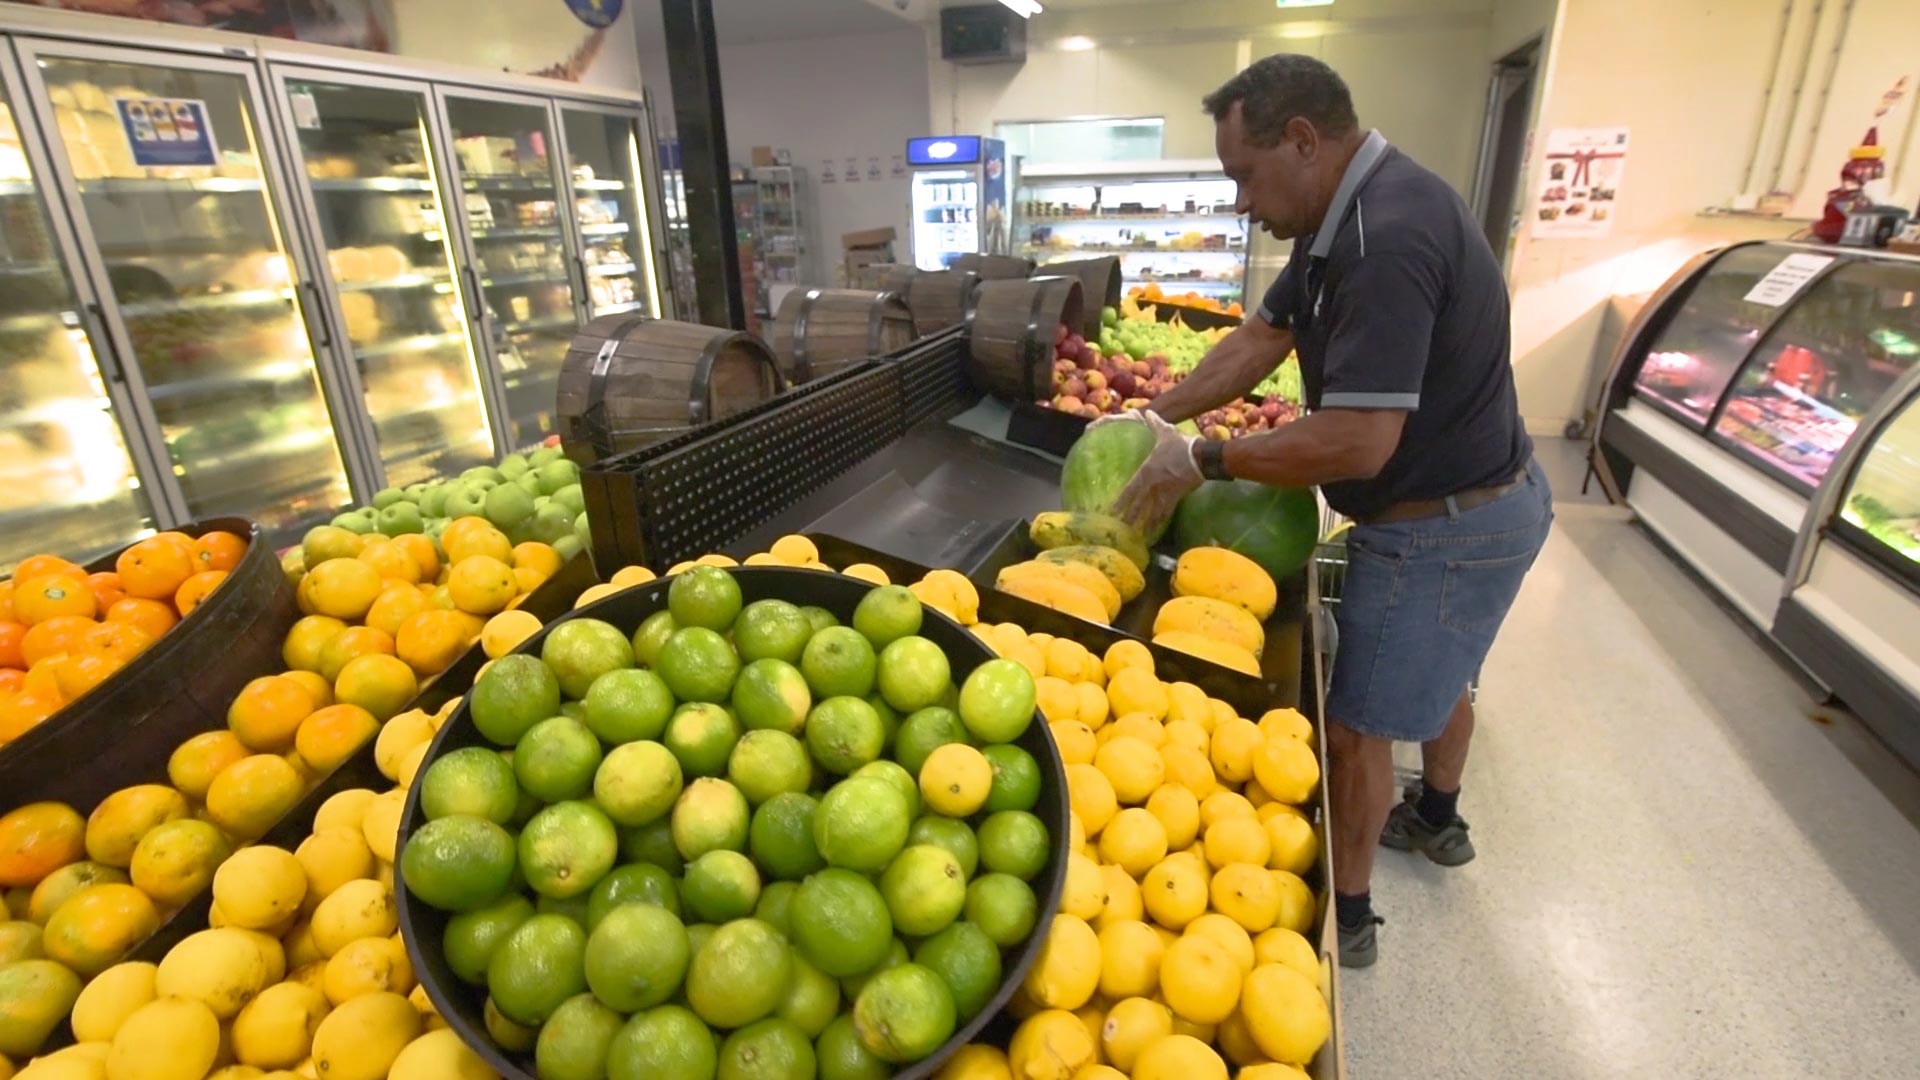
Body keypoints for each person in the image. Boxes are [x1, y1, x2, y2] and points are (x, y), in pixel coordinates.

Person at [1105, 54, 1553, 967]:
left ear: (1303, 141)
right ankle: (1440, 818)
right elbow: (1262, 339)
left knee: (1355, 732)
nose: (1239, 202)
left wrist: (1206, 459)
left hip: (1440, 524)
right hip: (1490, 500)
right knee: (1446, 671)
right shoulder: (1336, 213)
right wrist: (1156, 417)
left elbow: (1358, 443)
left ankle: (1348, 921)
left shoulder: (1385, 237)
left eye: (1243, 174)